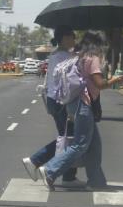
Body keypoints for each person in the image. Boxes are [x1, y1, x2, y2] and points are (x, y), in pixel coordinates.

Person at [38, 31, 123, 190]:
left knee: (94, 146)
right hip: (83, 104)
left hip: (76, 103)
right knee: (80, 144)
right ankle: (50, 170)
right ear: (98, 44)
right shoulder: (93, 58)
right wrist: (114, 80)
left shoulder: (80, 56)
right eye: (103, 44)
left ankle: (96, 181)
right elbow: (99, 84)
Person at [22, 25, 83, 187]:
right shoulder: (63, 56)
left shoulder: (58, 54)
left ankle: (68, 175)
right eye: (71, 36)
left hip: (54, 100)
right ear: (63, 38)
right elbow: (73, 80)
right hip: (61, 102)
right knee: (70, 139)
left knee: (68, 137)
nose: (74, 39)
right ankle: (37, 161)